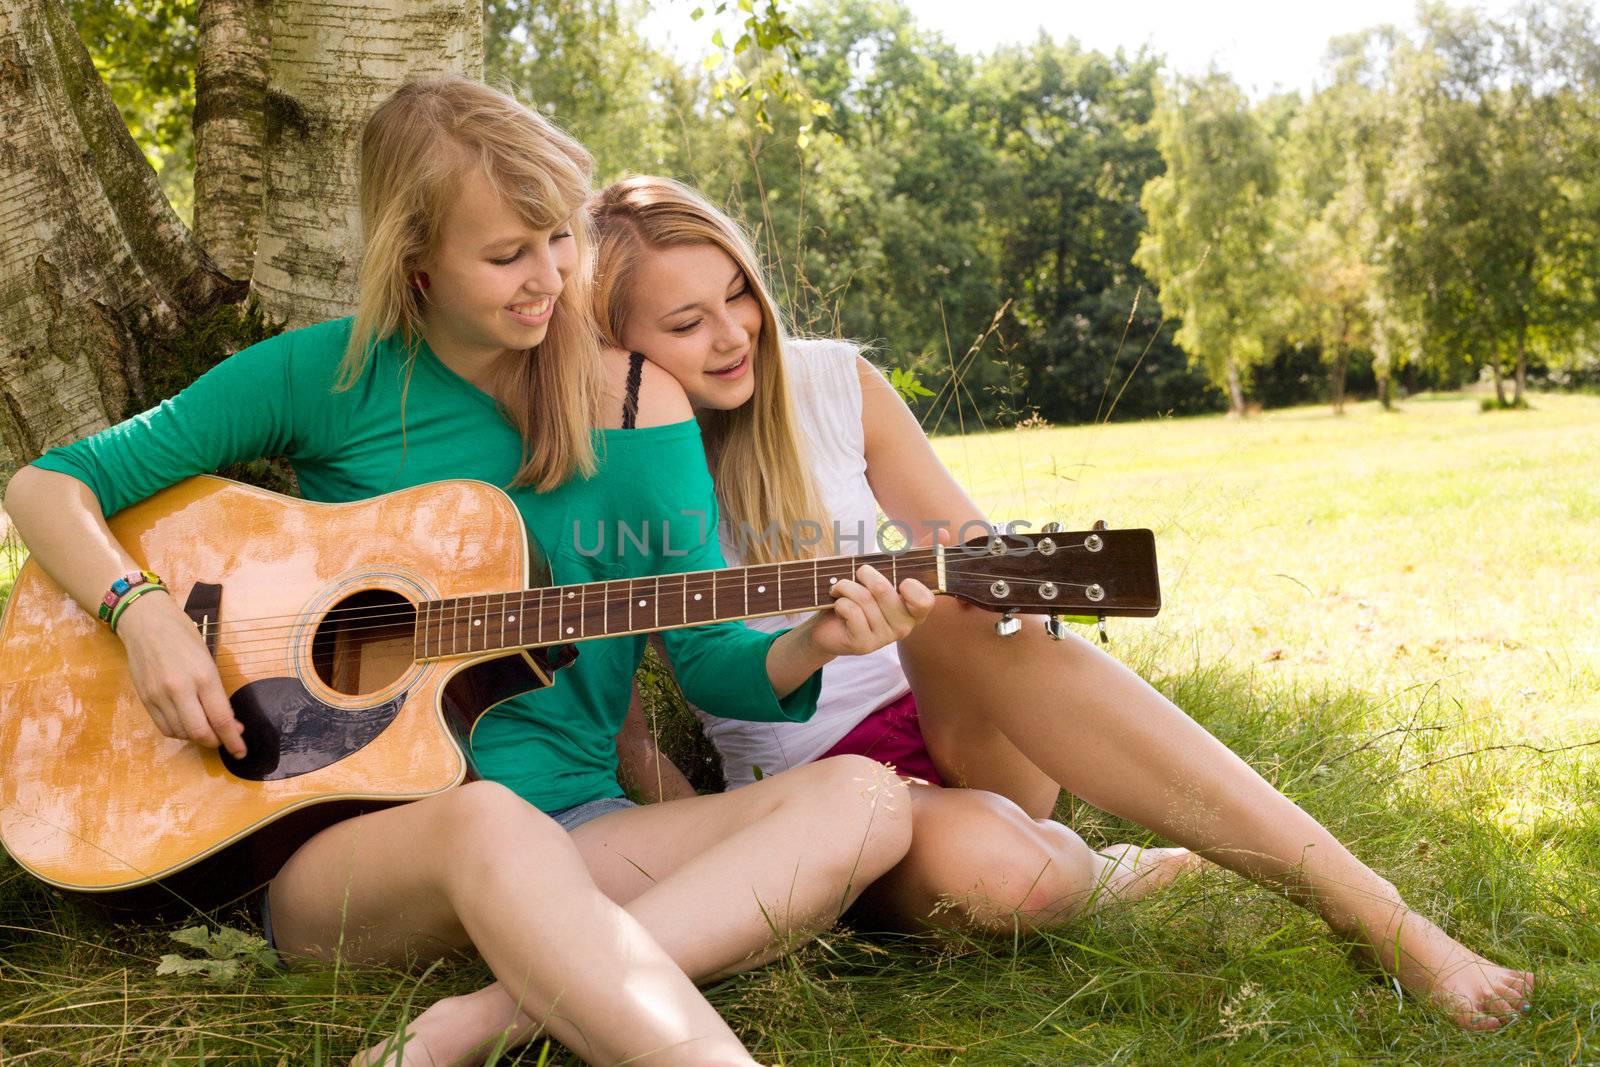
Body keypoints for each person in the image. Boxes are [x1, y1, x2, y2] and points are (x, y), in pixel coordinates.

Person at [3, 81, 936, 1067]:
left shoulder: (635, 404)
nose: (547, 279)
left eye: (557, 239)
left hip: (579, 831)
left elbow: (708, 658)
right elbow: (49, 484)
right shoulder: (326, 375)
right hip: (355, 852)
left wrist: (811, 640)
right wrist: (139, 610)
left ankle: (484, 1016)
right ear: (415, 263)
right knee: (488, 819)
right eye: (505, 256)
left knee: (866, 800)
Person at [584, 175, 1534, 1032]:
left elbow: (983, 556)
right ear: (613, 347)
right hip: (818, 787)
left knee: (963, 594)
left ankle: (1379, 915)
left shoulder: (835, 383)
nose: (733, 333)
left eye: (738, 293)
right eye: (684, 322)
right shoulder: (603, 472)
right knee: (1017, 880)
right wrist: (731, 856)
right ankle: (1109, 872)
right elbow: (630, 743)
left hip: (957, 717)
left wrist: (1007, 602)